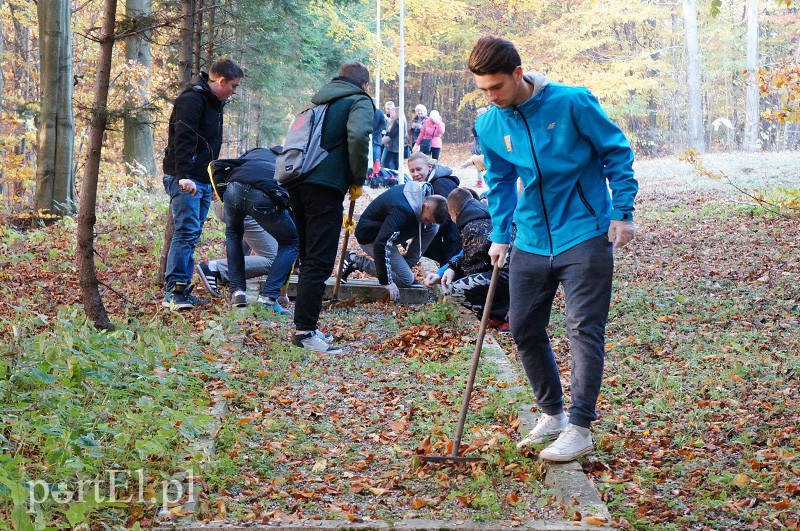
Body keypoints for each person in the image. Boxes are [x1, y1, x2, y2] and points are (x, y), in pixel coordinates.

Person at [469, 36, 638, 462]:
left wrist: (622, 211)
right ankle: (553, 415)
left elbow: (616, 152)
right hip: (529, 238)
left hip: (584, 232)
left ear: (518, 73)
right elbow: (502, 180)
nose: (492, 97)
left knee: (583, 328)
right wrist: (500, 234)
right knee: (522, 326)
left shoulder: (572, 102)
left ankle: (580, 427)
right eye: (484, 90)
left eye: (497, 88)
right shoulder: (491, 123)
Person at [287, 61, 374, 353]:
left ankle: (305, 326)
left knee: (307, 256)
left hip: (296, 181)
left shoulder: (318, 102)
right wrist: (357, 178)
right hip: (324, 186)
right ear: (364, 84)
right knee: (319, 260)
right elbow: (359, 137)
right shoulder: (358, 100)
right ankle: (305, 333)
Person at [162, 58, 244, 309]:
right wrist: (183, 176)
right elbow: (183, 140)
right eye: (233, 85)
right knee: (186, 231)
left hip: (202, 177)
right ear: (220, 81)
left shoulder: (213, 103)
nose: (234, 91)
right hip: (185, 177)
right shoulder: (191, 100)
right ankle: (174, 293)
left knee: (193, 233)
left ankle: (182, 289)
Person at [209, 147, 299, 314]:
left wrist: (224, 196)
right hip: (264, 193)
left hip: (234, 189)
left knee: (234, 234)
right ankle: (268, 297)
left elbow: (226, 166)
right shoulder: (288, 162)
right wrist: (282, 291)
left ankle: (238, 292)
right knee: (291, 243)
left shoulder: (254, 153)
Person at [340, 181, 448, 300]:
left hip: (388, 233)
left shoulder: (423, 202)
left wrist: (404, 268)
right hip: (371, 236)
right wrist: (387, 281)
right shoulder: (403, 209)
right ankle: (354, 260)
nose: (426, 223)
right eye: (427, 219)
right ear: (425, 205)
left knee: (433, 227)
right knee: (405, 280)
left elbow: (428, 223)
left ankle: (405, 268)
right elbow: (382, 243)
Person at [434, 187, 510, 327]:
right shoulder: (483, 215)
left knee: (455, 290)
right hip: (513, 272)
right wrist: (452, 267)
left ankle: (502, 316)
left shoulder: (471, 226)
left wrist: (455, 275)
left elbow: (473, 267)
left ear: (454, 213)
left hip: (507, 278)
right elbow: (471, 254)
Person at [407, 152, 462, 265]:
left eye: (418, 169)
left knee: (452, 267)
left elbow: (445, 215)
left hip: (454, 233)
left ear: (430, 167)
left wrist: (423, 234)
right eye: (412, 171)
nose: (415, 174)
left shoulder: (440, 183)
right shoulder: (427, 183)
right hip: (443, 230)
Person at [380, 106, 403, 171]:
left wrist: (385, 133)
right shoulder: (401, 121)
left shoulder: (397, 122)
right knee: (396, 162)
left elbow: (392, 134)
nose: (390, 113)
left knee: (386, 161)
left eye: (392, 112)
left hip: (393, 145)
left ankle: (392, 173)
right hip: (397, 145)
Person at [371, 103, 387, 167]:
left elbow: (383, 124)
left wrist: (376, 133)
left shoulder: (379, 112)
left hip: (376, 140)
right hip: (366, 140)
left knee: (376, 160)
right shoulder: (364, 112)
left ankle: (376, 174)